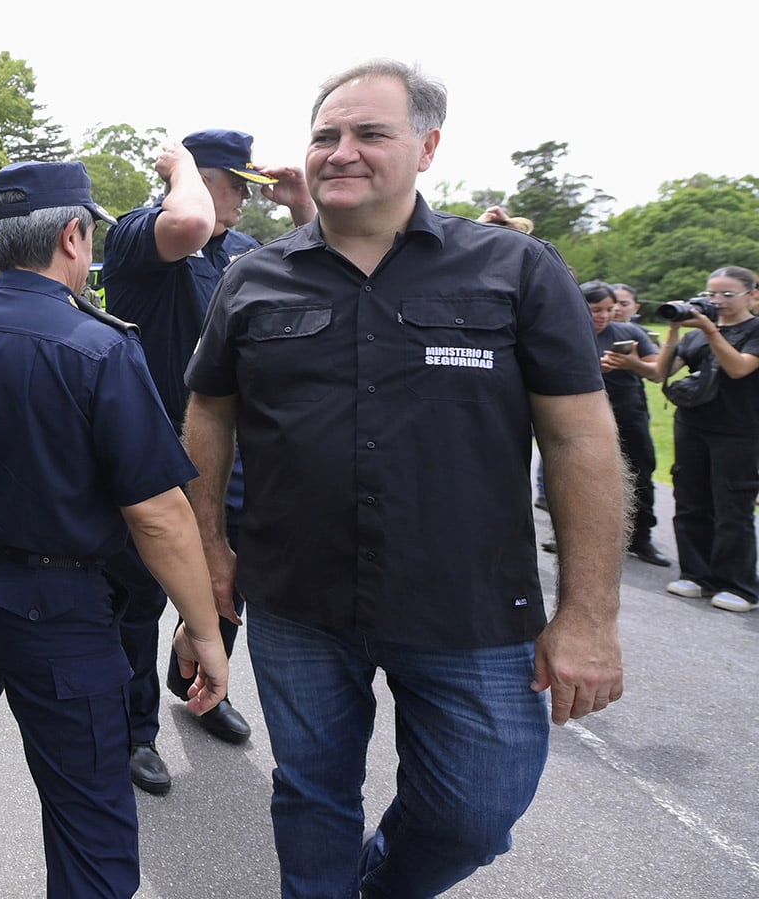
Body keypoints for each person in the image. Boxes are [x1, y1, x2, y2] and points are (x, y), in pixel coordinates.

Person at [183, 59, 625, 897]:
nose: (341, 151)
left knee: (475, 815)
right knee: (311, 793)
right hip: (298, 603)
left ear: (427, 148)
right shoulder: (253, 277)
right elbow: (209, 414)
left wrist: (590, 615)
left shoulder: (516, 268)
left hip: (469, 610)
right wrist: (208, 547)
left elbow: (581, 441)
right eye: (325, 135)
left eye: (370, 133)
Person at [0, 159, 229, 896]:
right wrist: (205, 630)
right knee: (90, 806)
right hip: (54, 603)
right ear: (72, 235)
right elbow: (158, 515)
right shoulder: (98, 345)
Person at [101, 128, 317, 791]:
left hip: (232, 449)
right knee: (141, 598)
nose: (245, 202)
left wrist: (301, 203)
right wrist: (182, 167)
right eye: (236, 187)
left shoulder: (244, 251)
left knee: (228, 578)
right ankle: (134, 730)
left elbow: (324, 262)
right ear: (197, 177)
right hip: (155, 450)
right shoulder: (143, 235)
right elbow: (189, 221)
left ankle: (199, 683)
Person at [653, 266, 759, 612]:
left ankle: (739, 585)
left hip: (739, 430)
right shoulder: (697, 332)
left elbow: (739, 368)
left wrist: (710, 330)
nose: (718, 301)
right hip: (692, 425)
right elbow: (661, 371)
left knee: (732, 507)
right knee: (690, 500)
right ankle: (696, 574)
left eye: (728, 294)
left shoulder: (754, 329)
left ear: (752, 295)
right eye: (712, 294)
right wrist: (675, 328)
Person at [583, 280, 671, 566]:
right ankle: (579, 538)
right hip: (584, 417)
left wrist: (632, 363)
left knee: (640, 475)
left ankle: (640, 538)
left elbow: (657, 373)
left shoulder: (630, 332)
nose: (604, 316)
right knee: (583, 478)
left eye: (610, 309)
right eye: (596, 309)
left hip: (629, 414)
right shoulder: (567, 332)